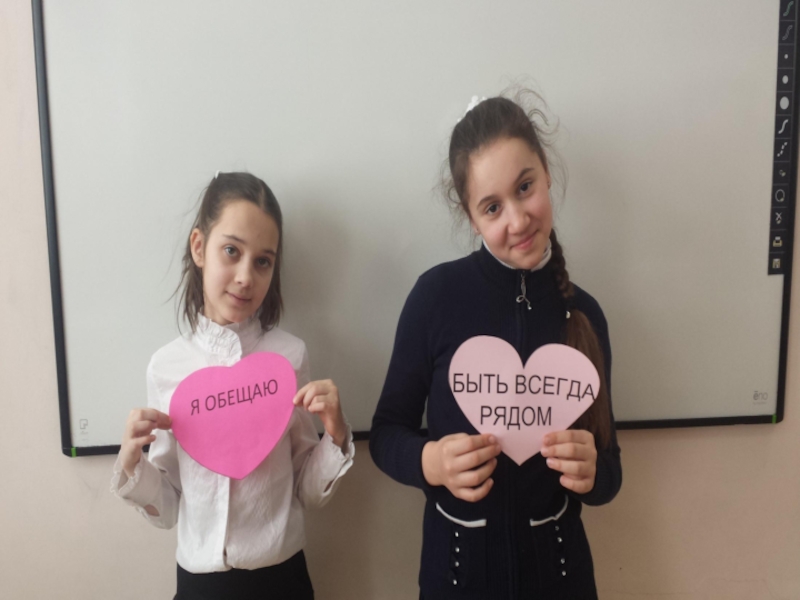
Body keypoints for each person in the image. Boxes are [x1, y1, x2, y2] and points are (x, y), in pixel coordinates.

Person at [370, 93, 622, 599]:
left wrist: (594, 472)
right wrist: (430, 462)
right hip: (456, 579)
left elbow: (610, 472)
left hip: (563, 581)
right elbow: (385, 434)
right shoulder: (435, 298)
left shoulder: (585, 314)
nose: (518, 220)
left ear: (546, 171)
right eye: (492, 207)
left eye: (525, 187)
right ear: (471, 217)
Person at [111, 172, 354, 600]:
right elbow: (169, 507)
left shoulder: (289, 357)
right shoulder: (167, 367)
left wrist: (334, 436)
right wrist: (133, 464)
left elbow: (306, 491)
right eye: (231, 251)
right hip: (200, 582)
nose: (245, 276)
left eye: (263, 261)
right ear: (199, 247)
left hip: (282, 578)